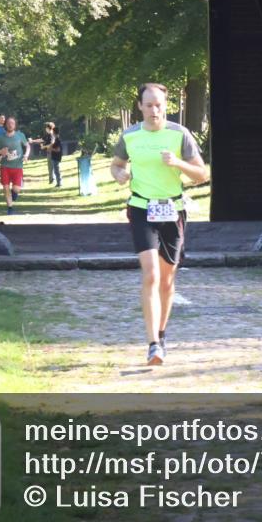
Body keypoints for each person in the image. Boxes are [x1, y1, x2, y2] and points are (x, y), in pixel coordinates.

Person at [110, 83, 208, 365]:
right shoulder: (130, 136)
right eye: (149, 105)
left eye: (159, 105)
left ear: (166, 106)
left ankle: (161, 335)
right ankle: (153, 343)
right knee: (151, 274)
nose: (155, 110)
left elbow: (201, 174)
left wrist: (177, 163)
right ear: (140, 107)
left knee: (166, 279)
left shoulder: (180, 134)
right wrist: (119, 174)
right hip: (142, 208)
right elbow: (116, 164)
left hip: (172, 211)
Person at [0, 115, 30, 215]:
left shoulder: (20, 135)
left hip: (17, 166)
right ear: (5, 125)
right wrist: (0, 151)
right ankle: (10, 208)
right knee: (6, 187)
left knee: (16, 189)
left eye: (12, 123)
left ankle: (14, 193)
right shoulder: (0, 137)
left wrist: (26, 155)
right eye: (8, 123)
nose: (10, 125)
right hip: (5, 167)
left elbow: (27, 146)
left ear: (15, 125)